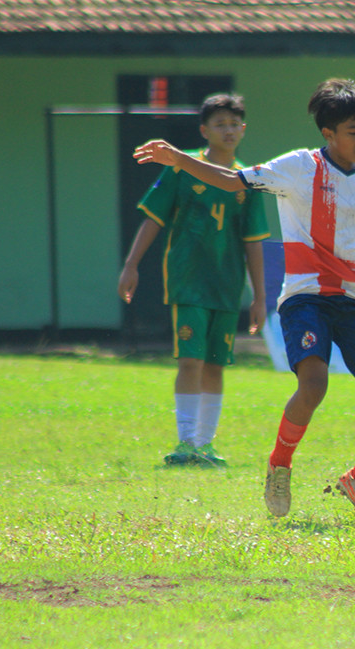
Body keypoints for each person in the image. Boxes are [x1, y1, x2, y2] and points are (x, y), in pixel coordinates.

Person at [133, 78, 355, 524]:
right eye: (352, 132)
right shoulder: (297, 167)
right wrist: (180, 160)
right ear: (328, 134)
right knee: (315, 384)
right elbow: (233, 180)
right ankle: (280, 465)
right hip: (307, 297)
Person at [120, 92, 270, 467]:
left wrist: (260, 297)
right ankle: (185, 442)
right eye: (220, 124)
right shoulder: (180, 167)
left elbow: (253, 245)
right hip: (188, 281)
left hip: (226, 285)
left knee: (216, 364)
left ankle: (205, 445)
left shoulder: (249, 182)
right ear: (204, 130)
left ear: (244, 129)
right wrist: (131, 265)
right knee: (190, 361)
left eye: (235, 123)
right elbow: (153, 218)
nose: (228, 130)